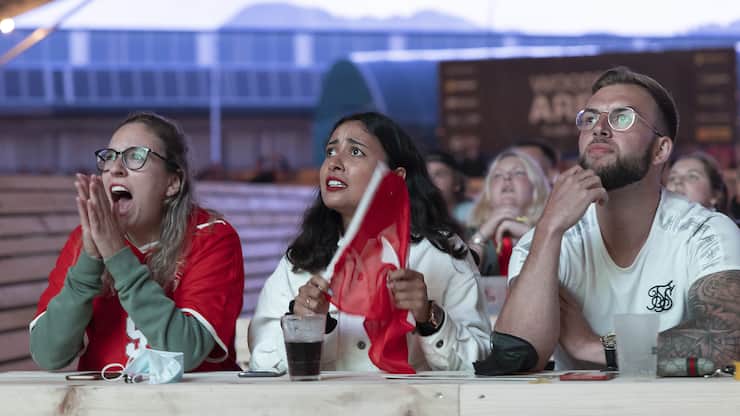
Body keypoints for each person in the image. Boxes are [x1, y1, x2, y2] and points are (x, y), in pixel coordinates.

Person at [493, 67, 740, 371]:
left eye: (622, 117)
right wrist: (549, 227)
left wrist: (598, 347)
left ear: (660, 149)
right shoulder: (546, 240)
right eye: (590, 117)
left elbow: (730, 338)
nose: (599, 128)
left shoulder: (705, 232)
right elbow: (515, 358)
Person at [249, 112, 490, 372]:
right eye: (330, 152)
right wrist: (304, 324)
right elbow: (261, 363)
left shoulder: (440, 253)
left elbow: (479, 360)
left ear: (395, 177)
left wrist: (428, 315)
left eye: (355, 152)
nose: (335, 163)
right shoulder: (301, 260)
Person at [30, 112, 245, 372]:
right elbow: (48, 354)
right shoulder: (83, 241)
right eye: (109, 157)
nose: (116, 168)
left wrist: (117, 256)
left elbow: (185, 353)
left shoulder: (211, 237)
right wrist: (92, 258)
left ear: (172, 183)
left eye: (136, 157)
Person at [466, 149, 550, 276]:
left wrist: (528, 234)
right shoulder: (470, 233)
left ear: (535, 186)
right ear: (488, 191)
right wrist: (481, 236)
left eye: (518, 173)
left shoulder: (551, 229)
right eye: (498, 175)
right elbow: (461, 277)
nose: (507, 178)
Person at [666, 151, 730, 215]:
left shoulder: (723, 224)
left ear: (715, 195)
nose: (678, 181)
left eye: (692, 176)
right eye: (672, 178)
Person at [425, 150, 472, 225]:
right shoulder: (413, 216)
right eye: (426, 176)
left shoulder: (473, 213)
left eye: (439, 174)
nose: (431, 181)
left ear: (457, 183)